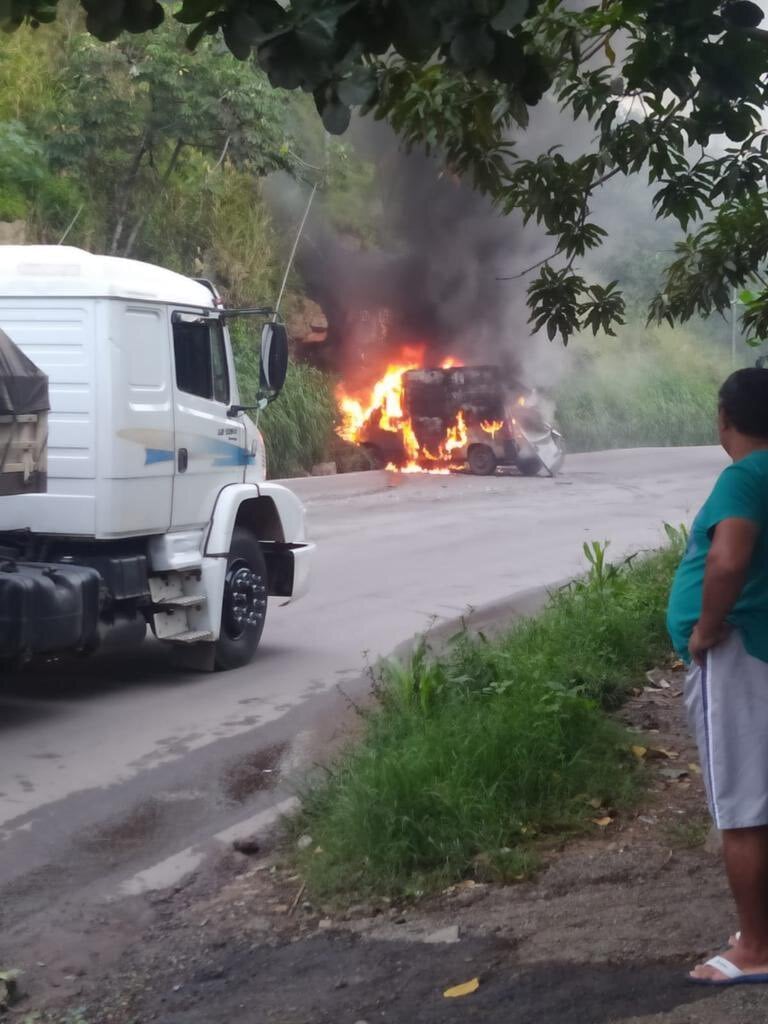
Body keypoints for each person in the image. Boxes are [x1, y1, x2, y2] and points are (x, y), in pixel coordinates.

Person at [667, 367, 768, 985]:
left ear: (724, 420)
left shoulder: (744, 476)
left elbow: (730, 555)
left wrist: (705, 626)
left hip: (740, 658)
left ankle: (756, 949)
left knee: (742, 806)